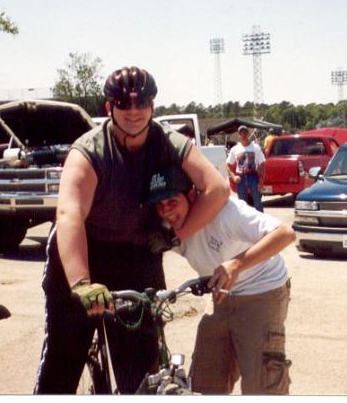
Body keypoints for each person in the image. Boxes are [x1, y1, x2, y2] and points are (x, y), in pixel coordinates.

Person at [33, 66, 229, 394]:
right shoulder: (89, 150)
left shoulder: (166, 140)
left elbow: (217, 189)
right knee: (63, 361)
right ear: (109, 107)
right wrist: (81, 282)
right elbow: (69, 216)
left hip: (136, 251)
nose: (134, 111)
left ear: (153, 106)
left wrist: (174, 236)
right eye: (124, 104)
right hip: (84, 248)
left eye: (142, 103)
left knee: (143, 371)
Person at [149, 163, 294, 395]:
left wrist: (236, 264)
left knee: (261, 385)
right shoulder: (167, 227)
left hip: (262, 291)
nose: (166, 211)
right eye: (160, 204)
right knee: (204, 383)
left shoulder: (227, 213)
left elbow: (285, 234)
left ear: (192, 195)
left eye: (172, 201)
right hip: (222, 295)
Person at [226, 125, 266, 212]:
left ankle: (261, 219)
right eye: (241, 133)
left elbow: (262, 163)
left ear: (248, 134)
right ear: (238, 135)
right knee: (242, 204)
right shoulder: (235, 149)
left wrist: (262, 180)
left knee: (257, 202)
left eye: (245, 133)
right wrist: (233, 176)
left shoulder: (255, 147)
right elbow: (228, 164)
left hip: (253, 177)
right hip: (240, 178)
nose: (243, 135)